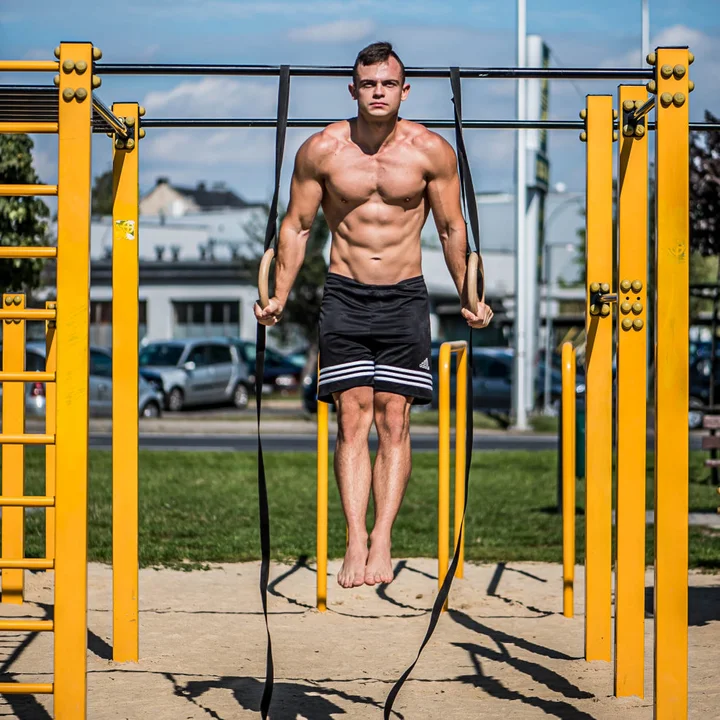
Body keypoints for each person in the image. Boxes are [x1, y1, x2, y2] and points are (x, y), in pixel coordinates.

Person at [254, 41, 493, 589]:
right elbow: (296, 226)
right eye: (369, 83)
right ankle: (354, 535)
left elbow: (453, 228)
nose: (378, 91)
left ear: (403, 90)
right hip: (344, 293)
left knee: (395, 418)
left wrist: (469, 296)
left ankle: (383, 536)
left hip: (405, 296)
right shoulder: (322, 151)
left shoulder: (430, 151)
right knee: (351, 417)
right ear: (353, 89)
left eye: (388, 83)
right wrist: (278, 295)